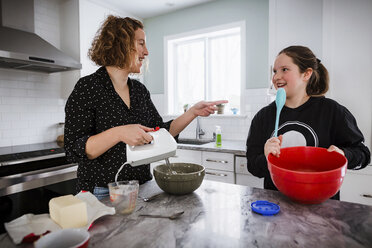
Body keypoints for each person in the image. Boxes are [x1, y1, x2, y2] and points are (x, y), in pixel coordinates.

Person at [64, 15, 227, 199]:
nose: (146, 51)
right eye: (141, 43)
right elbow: (74, 149)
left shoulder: (139, 91)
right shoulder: (88, 88)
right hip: (101, 193)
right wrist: (119, 133)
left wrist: (192, 112)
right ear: (121, 44)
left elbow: (161, 131)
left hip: (142, 188)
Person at [246, 45, 370, 200]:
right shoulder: (263, 117)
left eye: (284, 69)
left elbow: (364, 155)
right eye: (275, 71)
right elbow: (253, 167)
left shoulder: (333, 112)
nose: (276, 77)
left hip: (322, 208)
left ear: (306, 74)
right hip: (276, 205)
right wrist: (266, 157)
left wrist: (344, 155)